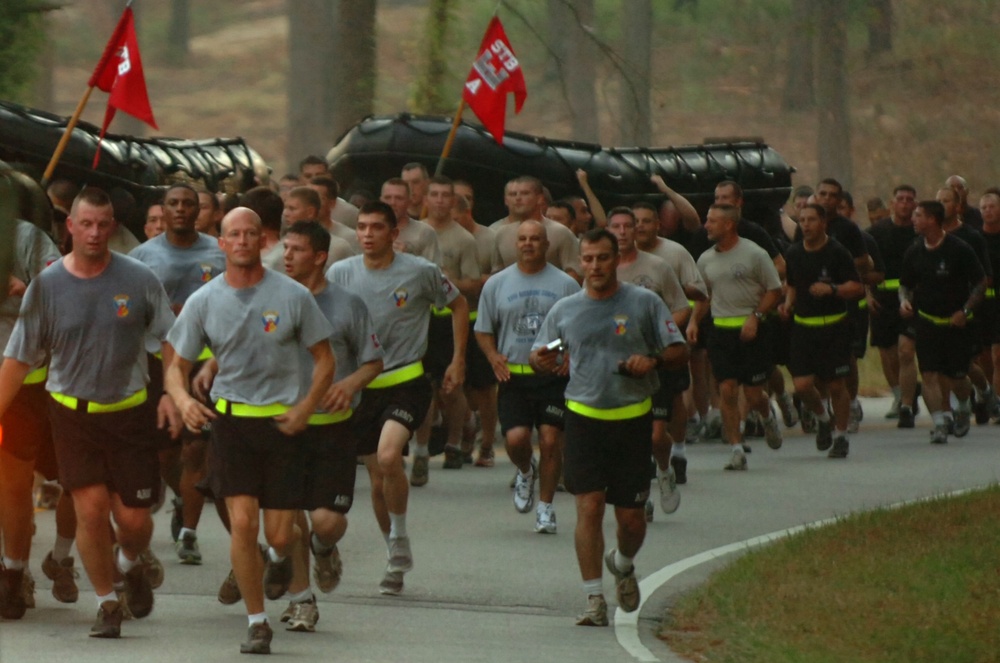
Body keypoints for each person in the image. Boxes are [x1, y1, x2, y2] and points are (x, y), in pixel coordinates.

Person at [0, 187, 180, 638]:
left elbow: (173, 340)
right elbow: (19, 361)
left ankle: (129, 563)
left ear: (111, 226)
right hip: (71, 414)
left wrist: (173, 393)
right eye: (87, 224)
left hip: (130, 413)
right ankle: (106, 603)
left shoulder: (138, 279)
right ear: (71, 228)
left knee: (134, 521)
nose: (96, 233)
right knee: (92, 509)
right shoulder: (48, 287)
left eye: (104, 225)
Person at [165, 206, 335, 654]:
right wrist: (183, 402)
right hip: (231, 423)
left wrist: (306, 407)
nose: (241, 241)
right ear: (221, 243)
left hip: (281, 425)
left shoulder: (293, 295)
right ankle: (257, 622)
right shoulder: (205, 300)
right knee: (243, 524)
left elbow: (325, 359)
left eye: (250, 234)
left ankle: (279, 560)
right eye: (232, 234)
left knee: (280, 535)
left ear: (264, 241)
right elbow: (176, 366)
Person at [529, 228, 688, 627]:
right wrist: (541, 360)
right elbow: (542, 351)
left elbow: (678, 348)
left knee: (631, 520)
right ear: (580, 262)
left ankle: (623, 562)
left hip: (632, 420)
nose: (595, 266)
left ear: (617, 259)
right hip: (583, 419)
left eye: (603, 258)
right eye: (588, 259)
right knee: (589, 505)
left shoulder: (644, 303)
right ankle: (593, 599)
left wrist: (650, 359)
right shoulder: (565, 309)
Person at [327, 201, 466, 596]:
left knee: (389, 457)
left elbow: (458, 304)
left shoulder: (420, 272)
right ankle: (394, 552)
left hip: (406, 379)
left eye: (376, 228)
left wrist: (458, 361)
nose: (367, 234)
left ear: (394, 235)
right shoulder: (341, 273)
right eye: (362, 228)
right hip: (361, 386)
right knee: (376, 480)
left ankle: (401, 536)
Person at [278, 220, 384, 633]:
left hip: (335, 427)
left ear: (320, 256)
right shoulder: (274, 299)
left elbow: (373, 360)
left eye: (297, 250)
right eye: (285, 248)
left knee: (325, 521)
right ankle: (302, 600)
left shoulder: (347, 304)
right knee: (287, 520)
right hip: (285, 423)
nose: (286, 256)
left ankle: (324, 549)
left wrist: (350, 381)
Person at [129, 183, 227, 564]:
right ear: (163, 211)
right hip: (158, 364)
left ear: (201, 211)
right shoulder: (142, 257)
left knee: (196, 448)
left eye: (190, 204)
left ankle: (188, 532)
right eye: (174, 204)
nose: (183, 210)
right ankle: (181, 496)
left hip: (204, 364)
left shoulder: (217, 253)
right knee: (166, 456)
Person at [475, 220, 580, 533]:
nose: (529, 244)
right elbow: (483, 329)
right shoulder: (497, 283)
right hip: (514, 377)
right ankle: (524, 470)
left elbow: (580, 328)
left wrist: (570, 356)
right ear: (515, 244)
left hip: (553, 377)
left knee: (550, 441)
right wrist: (493, 356)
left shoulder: (566, 285)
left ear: (547, 244)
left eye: (536, 239)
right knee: (517, 439)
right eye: (523, 239)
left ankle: (546, 509)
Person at [688, 204, 783, 470]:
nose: (706, 225)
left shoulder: (755, 254)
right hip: (721, 331)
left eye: (712, 221)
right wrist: (694, 322)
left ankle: (766, 415)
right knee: (727, 390)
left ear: (729, 225)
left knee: (753, 394)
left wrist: (757, 317)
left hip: (752, 330)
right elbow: (703, 297)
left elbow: (775, 291)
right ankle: (736, 449)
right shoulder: (705, 259)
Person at [0, 217, 63, 618]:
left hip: (21, 381)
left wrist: (22, 292)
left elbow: (61, 289)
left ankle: (14, 574)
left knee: (13, 484)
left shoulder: (26, 237)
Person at [608, 207, 689, 513]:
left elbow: (682, 308)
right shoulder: (601, 269)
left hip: (654, 361)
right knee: (629, 436)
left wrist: (661, 335)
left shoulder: (658, 267)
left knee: (656, 434)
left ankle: (665, 470)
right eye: (616, 226)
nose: (623, 232)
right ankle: (641, 493)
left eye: (628, 226)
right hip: (617, 364)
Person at [780, 203, 863, 458]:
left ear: (823, 223)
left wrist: (833, 290)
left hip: (835, 326)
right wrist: (787, 303)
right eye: (802, 220)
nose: (805, 225)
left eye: (811, 220)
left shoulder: (837, 253)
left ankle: (840, 436)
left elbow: (857, 287)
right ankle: (823, 418)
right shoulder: (793, 254)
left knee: (837, 386)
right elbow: (792, 284)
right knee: (803, 385)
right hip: (804, 328)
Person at [899, 200, 986, 445]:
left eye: (918, 215)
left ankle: (963, 406)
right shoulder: (914, 250)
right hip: (926, 322)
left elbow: (980, 283)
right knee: (929, 374)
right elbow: (905, 284)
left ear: (932, 220)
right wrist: (904, 301)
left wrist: (965, 311)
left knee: (957, 377)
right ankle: (939, 423)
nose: (913, 220)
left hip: (955, 323)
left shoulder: (959, 249)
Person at [412, 176, 478, 474]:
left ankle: (453, 442)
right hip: (420, 318)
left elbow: (474, 283)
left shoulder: (463, 239)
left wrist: (451, 282)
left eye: (445, 195)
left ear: (453, 201)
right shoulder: (417, 234)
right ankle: (422, 450)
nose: (439, 200)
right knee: (424, 386)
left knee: (451, 387)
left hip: (449, 317)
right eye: (433, 195)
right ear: (425, 199)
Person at [451, 186, 500, 464]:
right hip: (449, 319)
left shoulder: (488, 238)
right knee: (459, 385)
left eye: (456, 219)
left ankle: (488, 444)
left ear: (466, 212)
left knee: (484, 388)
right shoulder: (439, 235)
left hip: (480, 317)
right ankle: (468, 425)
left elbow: (496, 276)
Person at [867, 185, 921, 426]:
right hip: (882, 300)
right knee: (887, 352)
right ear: (892, 203)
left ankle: (907, 404)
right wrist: (867, 294)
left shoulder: (921, 231)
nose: (905, 203)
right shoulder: (876, 232)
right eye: (900, 199)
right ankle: (899, 394)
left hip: (911, 299)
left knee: (906, 350)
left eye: (910, 199)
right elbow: (863, 267)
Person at [490, 176, 580, 281]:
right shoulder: (502, 233)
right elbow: (496, 276)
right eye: (512, 194)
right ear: (506, 200)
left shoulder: (561, 233)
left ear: (540, 198)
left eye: (525, 193)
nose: (518, 198)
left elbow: (574, 275)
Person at [380, 178, 440, 263]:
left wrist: (408, 257)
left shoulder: (425, 232)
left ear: (409, 201)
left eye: (399, 198)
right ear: (381, 201)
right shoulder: (369, 230)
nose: (392, 202)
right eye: (388, 198)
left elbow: (434, 273)